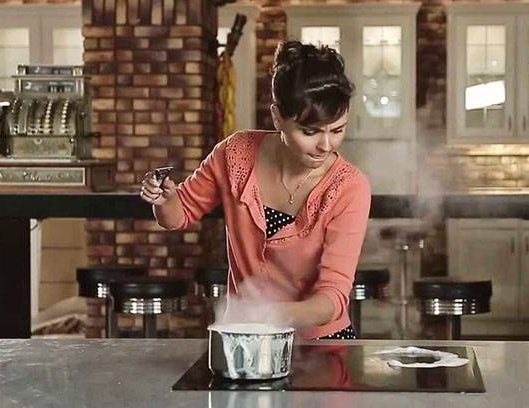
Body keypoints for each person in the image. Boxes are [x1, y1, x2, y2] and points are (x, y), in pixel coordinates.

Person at [140, 40, 371, 340]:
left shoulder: (350, 188)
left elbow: (333, 296)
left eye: (337, 130)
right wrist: (165, 199)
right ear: (277, 117)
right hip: (246, 336)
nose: (325, 146)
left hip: (320, 344)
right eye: (309, 132)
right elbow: (177, 215)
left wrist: (268, 314)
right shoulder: (236, 152)